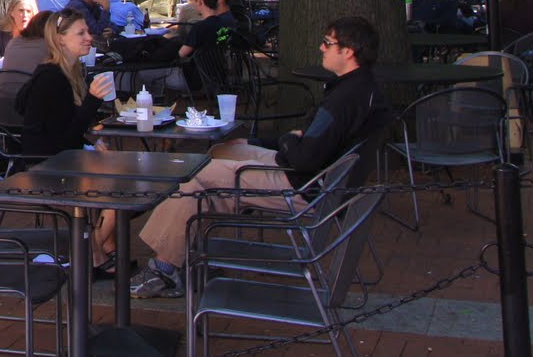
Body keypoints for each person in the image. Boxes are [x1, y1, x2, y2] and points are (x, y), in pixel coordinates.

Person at [130, 15, 389, 298]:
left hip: (303, 185)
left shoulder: (343, 99)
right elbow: (304, 140)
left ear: (348, 52)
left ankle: (163, 269)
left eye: (328, 43)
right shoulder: (360, 88)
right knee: (223, 151)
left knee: (193, 178)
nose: (321, 48)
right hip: (315, 176)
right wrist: (259, 142)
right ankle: (189, 251)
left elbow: (303, 155)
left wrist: (289, 140)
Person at [14, 8, 118, 273]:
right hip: (48, 168)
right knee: (120, 189)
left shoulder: (62, 71)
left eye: (87, 31)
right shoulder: (53, 77)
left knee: (118, 173)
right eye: (80, 33)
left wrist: (90, 143)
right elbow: (64, 137)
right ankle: (90, 254)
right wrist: (93, 100)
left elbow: (64, 129)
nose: (88, 37)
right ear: (60, 39)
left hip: (57, 159)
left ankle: (96, 254)